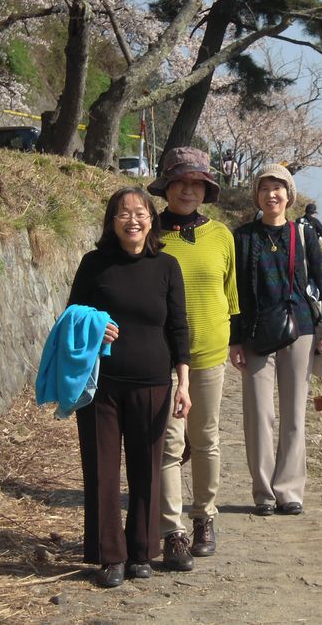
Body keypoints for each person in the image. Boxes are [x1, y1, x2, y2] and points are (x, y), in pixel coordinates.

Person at [67, 186, 191, 588]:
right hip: (99, 385)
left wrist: (183, 384)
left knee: (147, 469)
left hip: (153, 382)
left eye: (140, 213)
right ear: (112, 222)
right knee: (101, 469)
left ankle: (141, 551)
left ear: (152, 220)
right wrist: (94, 326)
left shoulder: (167, 266)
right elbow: (70, 316)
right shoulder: (94, 264)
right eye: (124, 213)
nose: (133, 220)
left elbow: (178, 328)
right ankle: (110, 555)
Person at [228, 163, 322, 516]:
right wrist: (234, 339)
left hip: (300, 331)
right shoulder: (243, 237)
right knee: (259, 415)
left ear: (288, 195)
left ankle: (289, 491)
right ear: (256, 195)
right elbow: (233, 292)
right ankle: (263, 493)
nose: (271, 194)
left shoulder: (303, 235)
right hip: (255, 333)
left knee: (294, 415)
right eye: (264, 188)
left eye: (278, 188)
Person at [147, 147, 239, 571]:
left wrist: (235, 342)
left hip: (209, 354)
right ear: (166, 186)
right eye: (180, 182)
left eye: (197, 183)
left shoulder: (221, 235)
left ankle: (204, 516)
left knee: (205, 438)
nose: (188, 190)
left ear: (207, 190)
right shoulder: (150, 233)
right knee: (169, 443)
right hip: (161, 355)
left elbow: (230, 295)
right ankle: (172, 530)